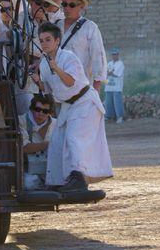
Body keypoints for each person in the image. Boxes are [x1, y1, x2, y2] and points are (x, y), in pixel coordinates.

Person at [31, 22, 112, 191]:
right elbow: (49, 89)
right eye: (42, 40)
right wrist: (38, 82)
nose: (44, 44)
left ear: (57, 41)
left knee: (74, 138)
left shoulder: (68, 57)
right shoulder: (45, 64)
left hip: (85, 102)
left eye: (48, 40)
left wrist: (57, 69)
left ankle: (79, 178)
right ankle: (56, 181)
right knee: (57, 140)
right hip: (69, 105)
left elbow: (71, 82)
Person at [56, 0, 108, 92]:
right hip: (57, 86)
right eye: (64, 4)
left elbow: (98, 59)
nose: (67, 8)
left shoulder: (90, 27)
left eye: (72, 5)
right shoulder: (56, 25)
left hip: (80, 87)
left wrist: (95, 90)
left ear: (81, 6)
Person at [18, 93, 56, 190]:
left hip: (50, 168)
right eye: (38, 109)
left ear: (50, 113)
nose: (40, 114)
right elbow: (24, 148)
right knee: (28, 184)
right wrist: (48, 145)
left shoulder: (56, 124)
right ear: (32, 108)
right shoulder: (22, 121)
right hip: (29, 169)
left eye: (45, 111)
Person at [104, 48, 125, 124]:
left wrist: (109, 72)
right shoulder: (109, 63)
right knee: (108, 102)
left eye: (115, 54)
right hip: (109, 86)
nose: (114, 56)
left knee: (117, 102)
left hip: (117, 87)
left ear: (118, 55)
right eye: (113, 54)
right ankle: (108, 116)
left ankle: (120, 117)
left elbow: (115, 74)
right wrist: (109, 72)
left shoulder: (120, 64)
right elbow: (105, 72)